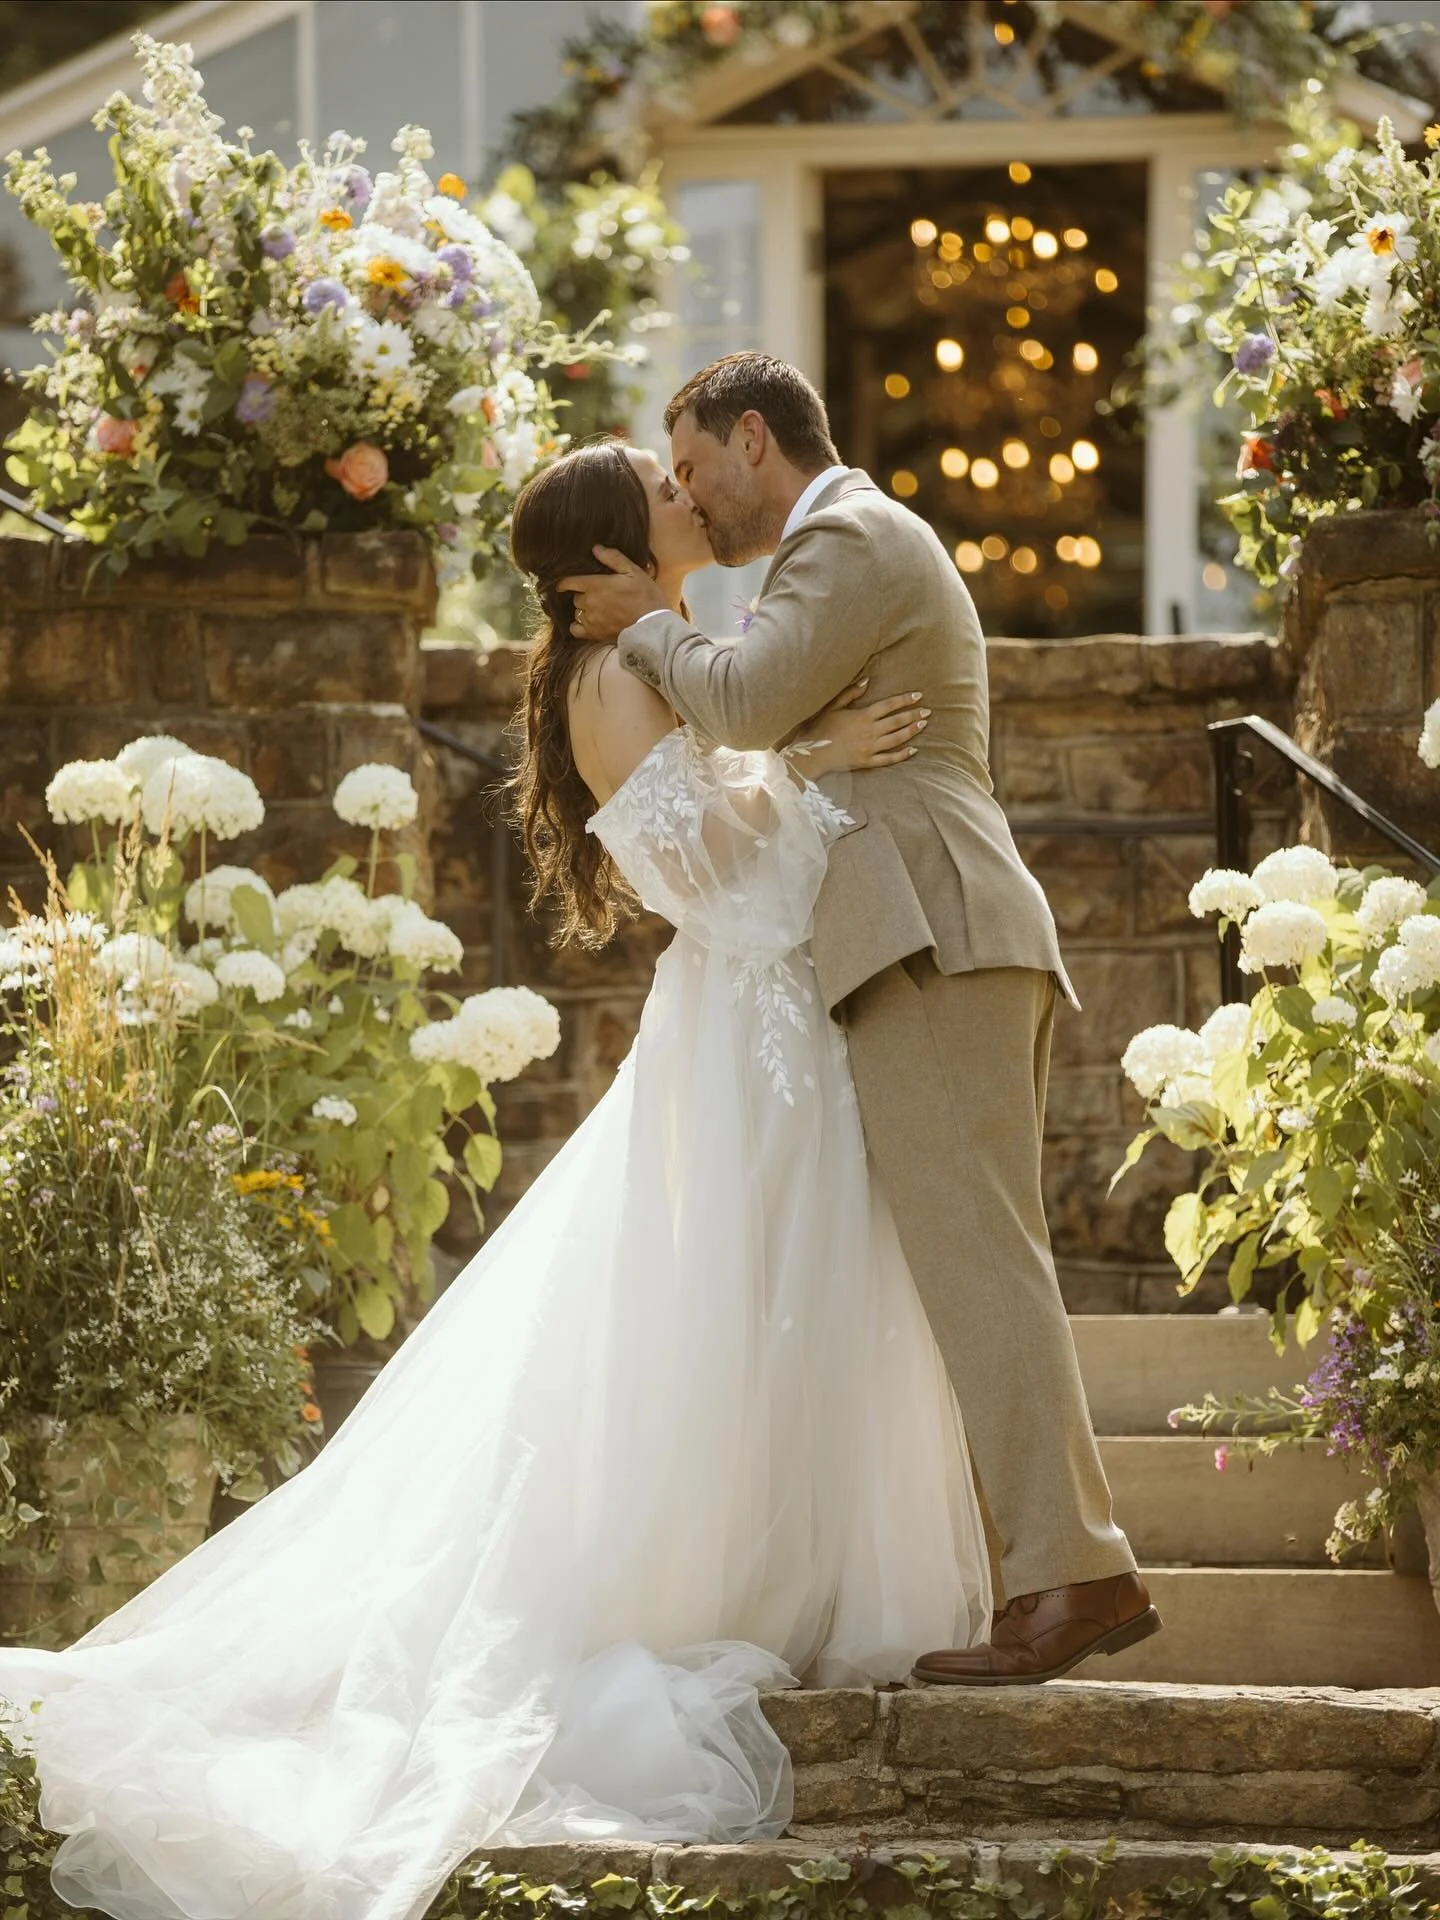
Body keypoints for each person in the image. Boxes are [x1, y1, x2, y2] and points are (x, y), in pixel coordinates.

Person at [0, 438, 992, 1920]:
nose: (687, 495)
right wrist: (814, 761)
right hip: (741, 1030)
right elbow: (717, 871)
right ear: (610, 554)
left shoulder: (663, 657)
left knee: (782, 1296)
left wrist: (788, 749)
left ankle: (803, 1577)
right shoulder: (617, 682)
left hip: (766, 1025)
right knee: (727, 1299)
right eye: (663, 494)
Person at [560, 353, 1160, 1687]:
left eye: (697, 469)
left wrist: (641, 619)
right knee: (960, 1258)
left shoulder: (849, 535)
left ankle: (1074, 1575)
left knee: (977, 1255)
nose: (694, 504)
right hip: (905, 936)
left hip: (934, 931)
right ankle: (1052, 1573)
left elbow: (741, 702)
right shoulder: (836, 547)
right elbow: (766, 754)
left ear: (754, 439)